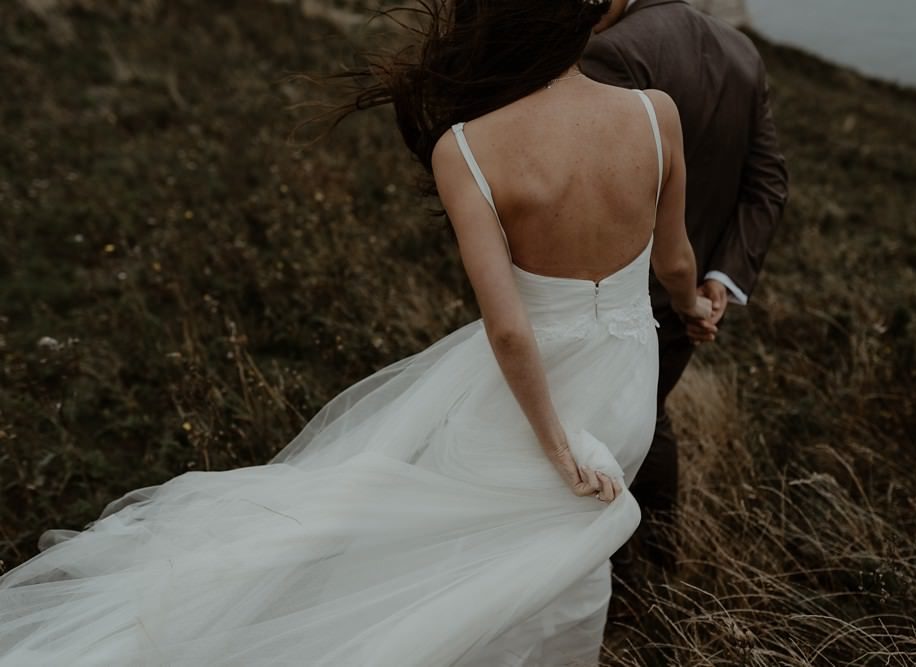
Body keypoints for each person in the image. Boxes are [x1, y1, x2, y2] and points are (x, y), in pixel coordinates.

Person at [0, 2, 712, 664]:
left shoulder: (465, 148)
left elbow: (509, 331)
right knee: (558, 565)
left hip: (531, 406)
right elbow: (677, 260)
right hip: (623, 390)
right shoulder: (656, 115)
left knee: (465, 565)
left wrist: (554, 446)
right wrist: (696, 309)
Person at [581, 0, 789, 571]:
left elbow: (594, 188)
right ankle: (660, 558)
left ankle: (618, 569)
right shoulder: (743, 52)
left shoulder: (613, 51)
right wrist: (722, 276)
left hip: (614, 294)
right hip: (689, 299)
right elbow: (767, 182)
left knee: (599, 432)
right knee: (649, 415)